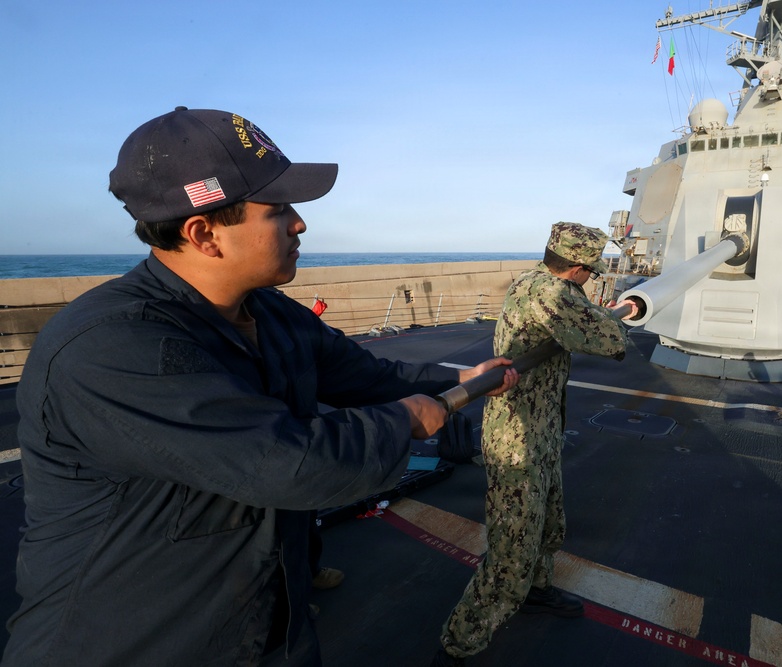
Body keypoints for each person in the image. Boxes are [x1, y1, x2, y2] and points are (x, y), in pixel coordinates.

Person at [3, 107, 516, 667]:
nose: (300, 224)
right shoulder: (111, 347)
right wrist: (406, 421)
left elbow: (364, 377)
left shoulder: (271, 314)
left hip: (266, 624)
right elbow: (290, 464)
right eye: (279, 210)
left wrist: (461, 379)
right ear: (204, 234)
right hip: (131, 641)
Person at [433, 222, 637, 666]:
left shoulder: (538, 280)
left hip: (541, 425)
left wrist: (602, 314)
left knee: (549, 521)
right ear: (578, 269)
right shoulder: (551, 294)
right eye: (590, 271)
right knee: (512, 547)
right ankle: (458, 643)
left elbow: (587, 318)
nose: (591, 278)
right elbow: (610, 340)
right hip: (517, 436)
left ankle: (537, 589)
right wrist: (623, 316)